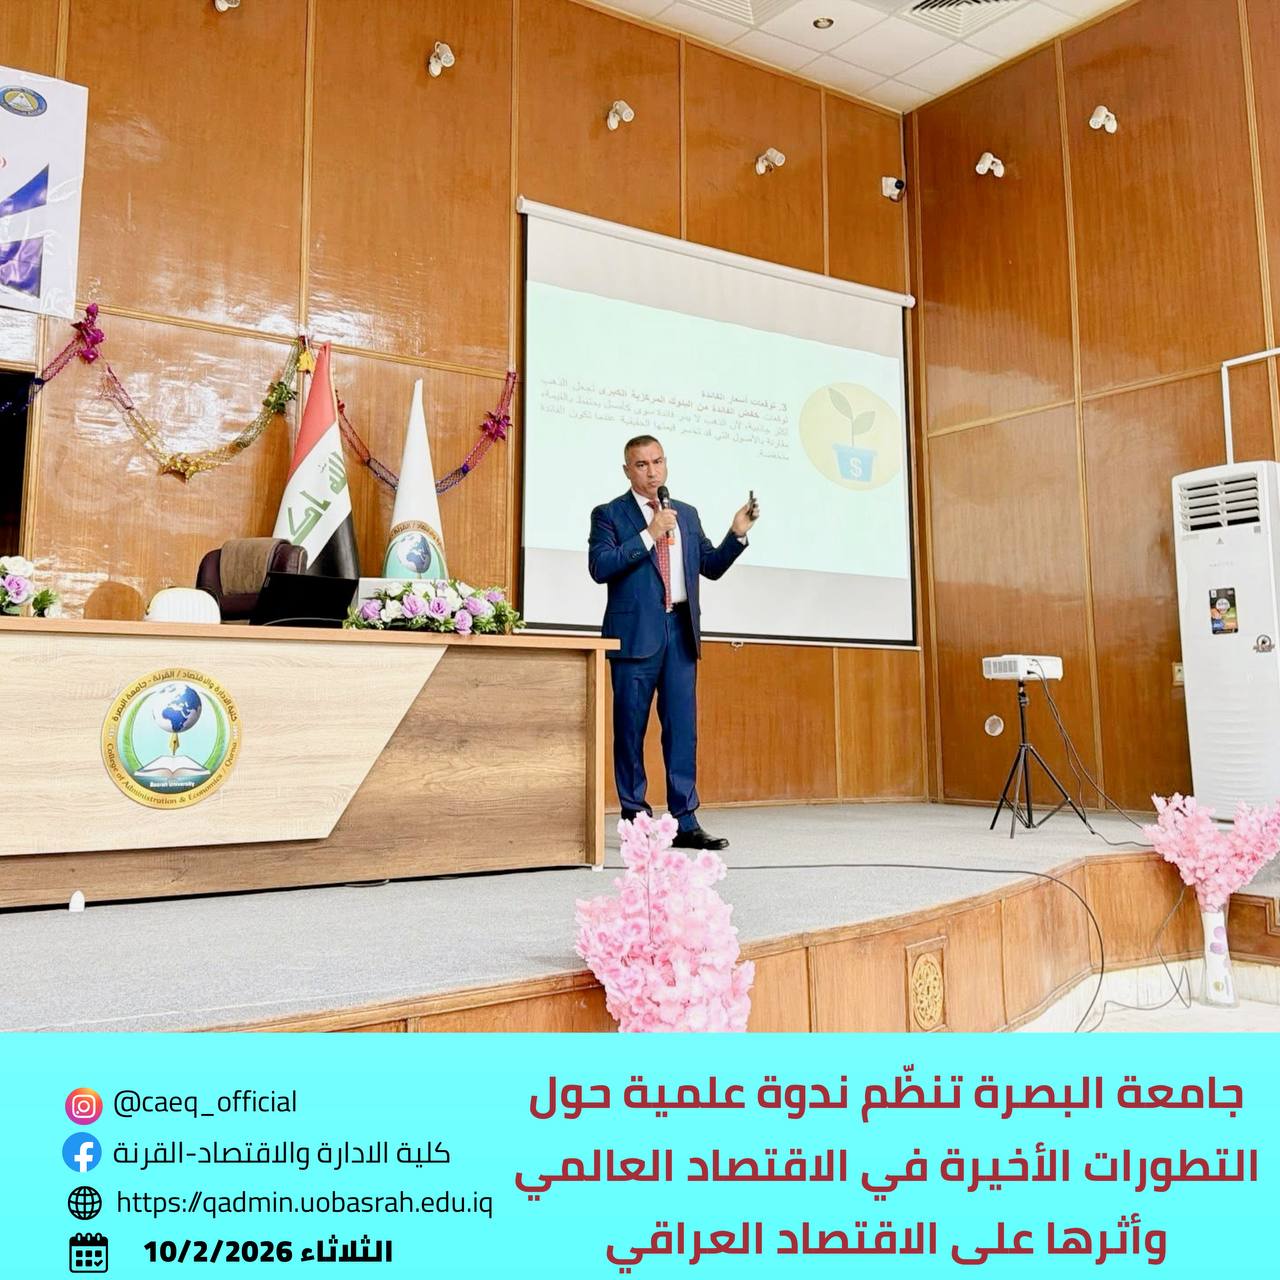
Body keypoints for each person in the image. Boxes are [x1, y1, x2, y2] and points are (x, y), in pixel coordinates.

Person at [588, 435, 758, 850]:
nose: (652, 471)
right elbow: (600, 566)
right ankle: (635, 819)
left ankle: (685, 820)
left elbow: (709, 567)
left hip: (680, 631)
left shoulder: (687, 513)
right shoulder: (609, 514)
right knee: (630, 730)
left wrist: (736, 535)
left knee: (682, 730)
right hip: (634, 637)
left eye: (658, 462)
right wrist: (648, 534)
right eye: (642, 464)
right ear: (627, 470)